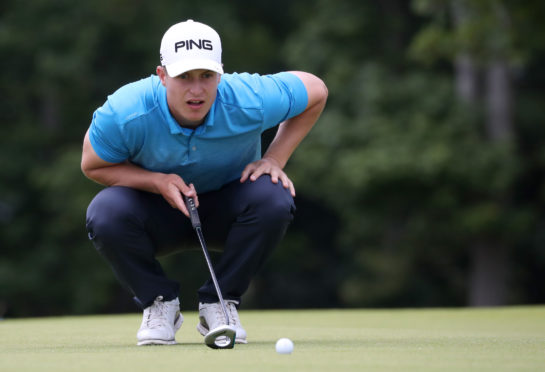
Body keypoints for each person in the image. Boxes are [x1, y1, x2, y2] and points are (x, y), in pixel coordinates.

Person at [81, 19, 327, 346]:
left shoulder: (248, 97)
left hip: (230, 210)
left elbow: (316, 90)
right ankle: (158, 304)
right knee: (105, 211)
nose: (196, 90)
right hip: (156, 213)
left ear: (220, 74)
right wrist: (155, 181)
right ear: (162, 75)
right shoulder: (127, 110)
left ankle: (219, 302)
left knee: (273, 195)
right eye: (184, 77)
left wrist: (274, 160)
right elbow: (93, 164)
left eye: (206, 77)